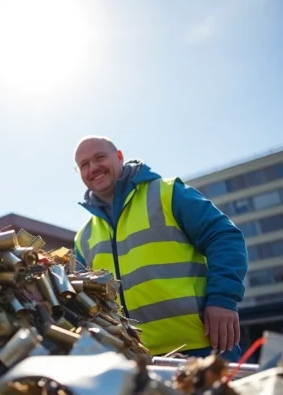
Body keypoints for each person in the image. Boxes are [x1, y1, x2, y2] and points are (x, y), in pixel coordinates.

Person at [72, 135, 247, 362]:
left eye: (99, 158)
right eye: (84, 165)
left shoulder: (167, 193)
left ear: (119, 157)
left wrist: (223, 299)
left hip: (202, 346)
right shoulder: (83, 237)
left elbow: (224, 237)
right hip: (133, 359)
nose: (93, 168)